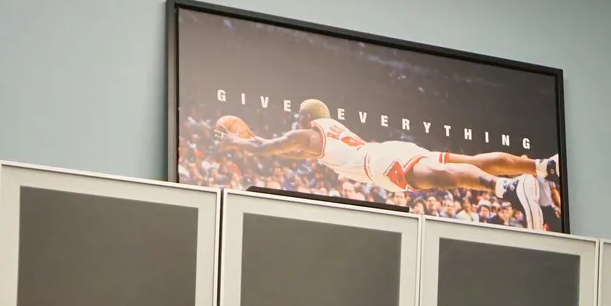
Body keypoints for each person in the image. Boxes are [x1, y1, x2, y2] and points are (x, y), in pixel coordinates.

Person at [216, 99, 561, 229]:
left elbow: (270, 146)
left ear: (306, 116)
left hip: (377, 163)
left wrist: (238, 141)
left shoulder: (308, 134)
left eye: (297, 116)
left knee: (436, 179)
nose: (294, 121)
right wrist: (251, 142)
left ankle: (508, 188)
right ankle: (541, 168)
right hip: (386, 151)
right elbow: (283, 152)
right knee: (466, 161)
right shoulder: (325, 136)